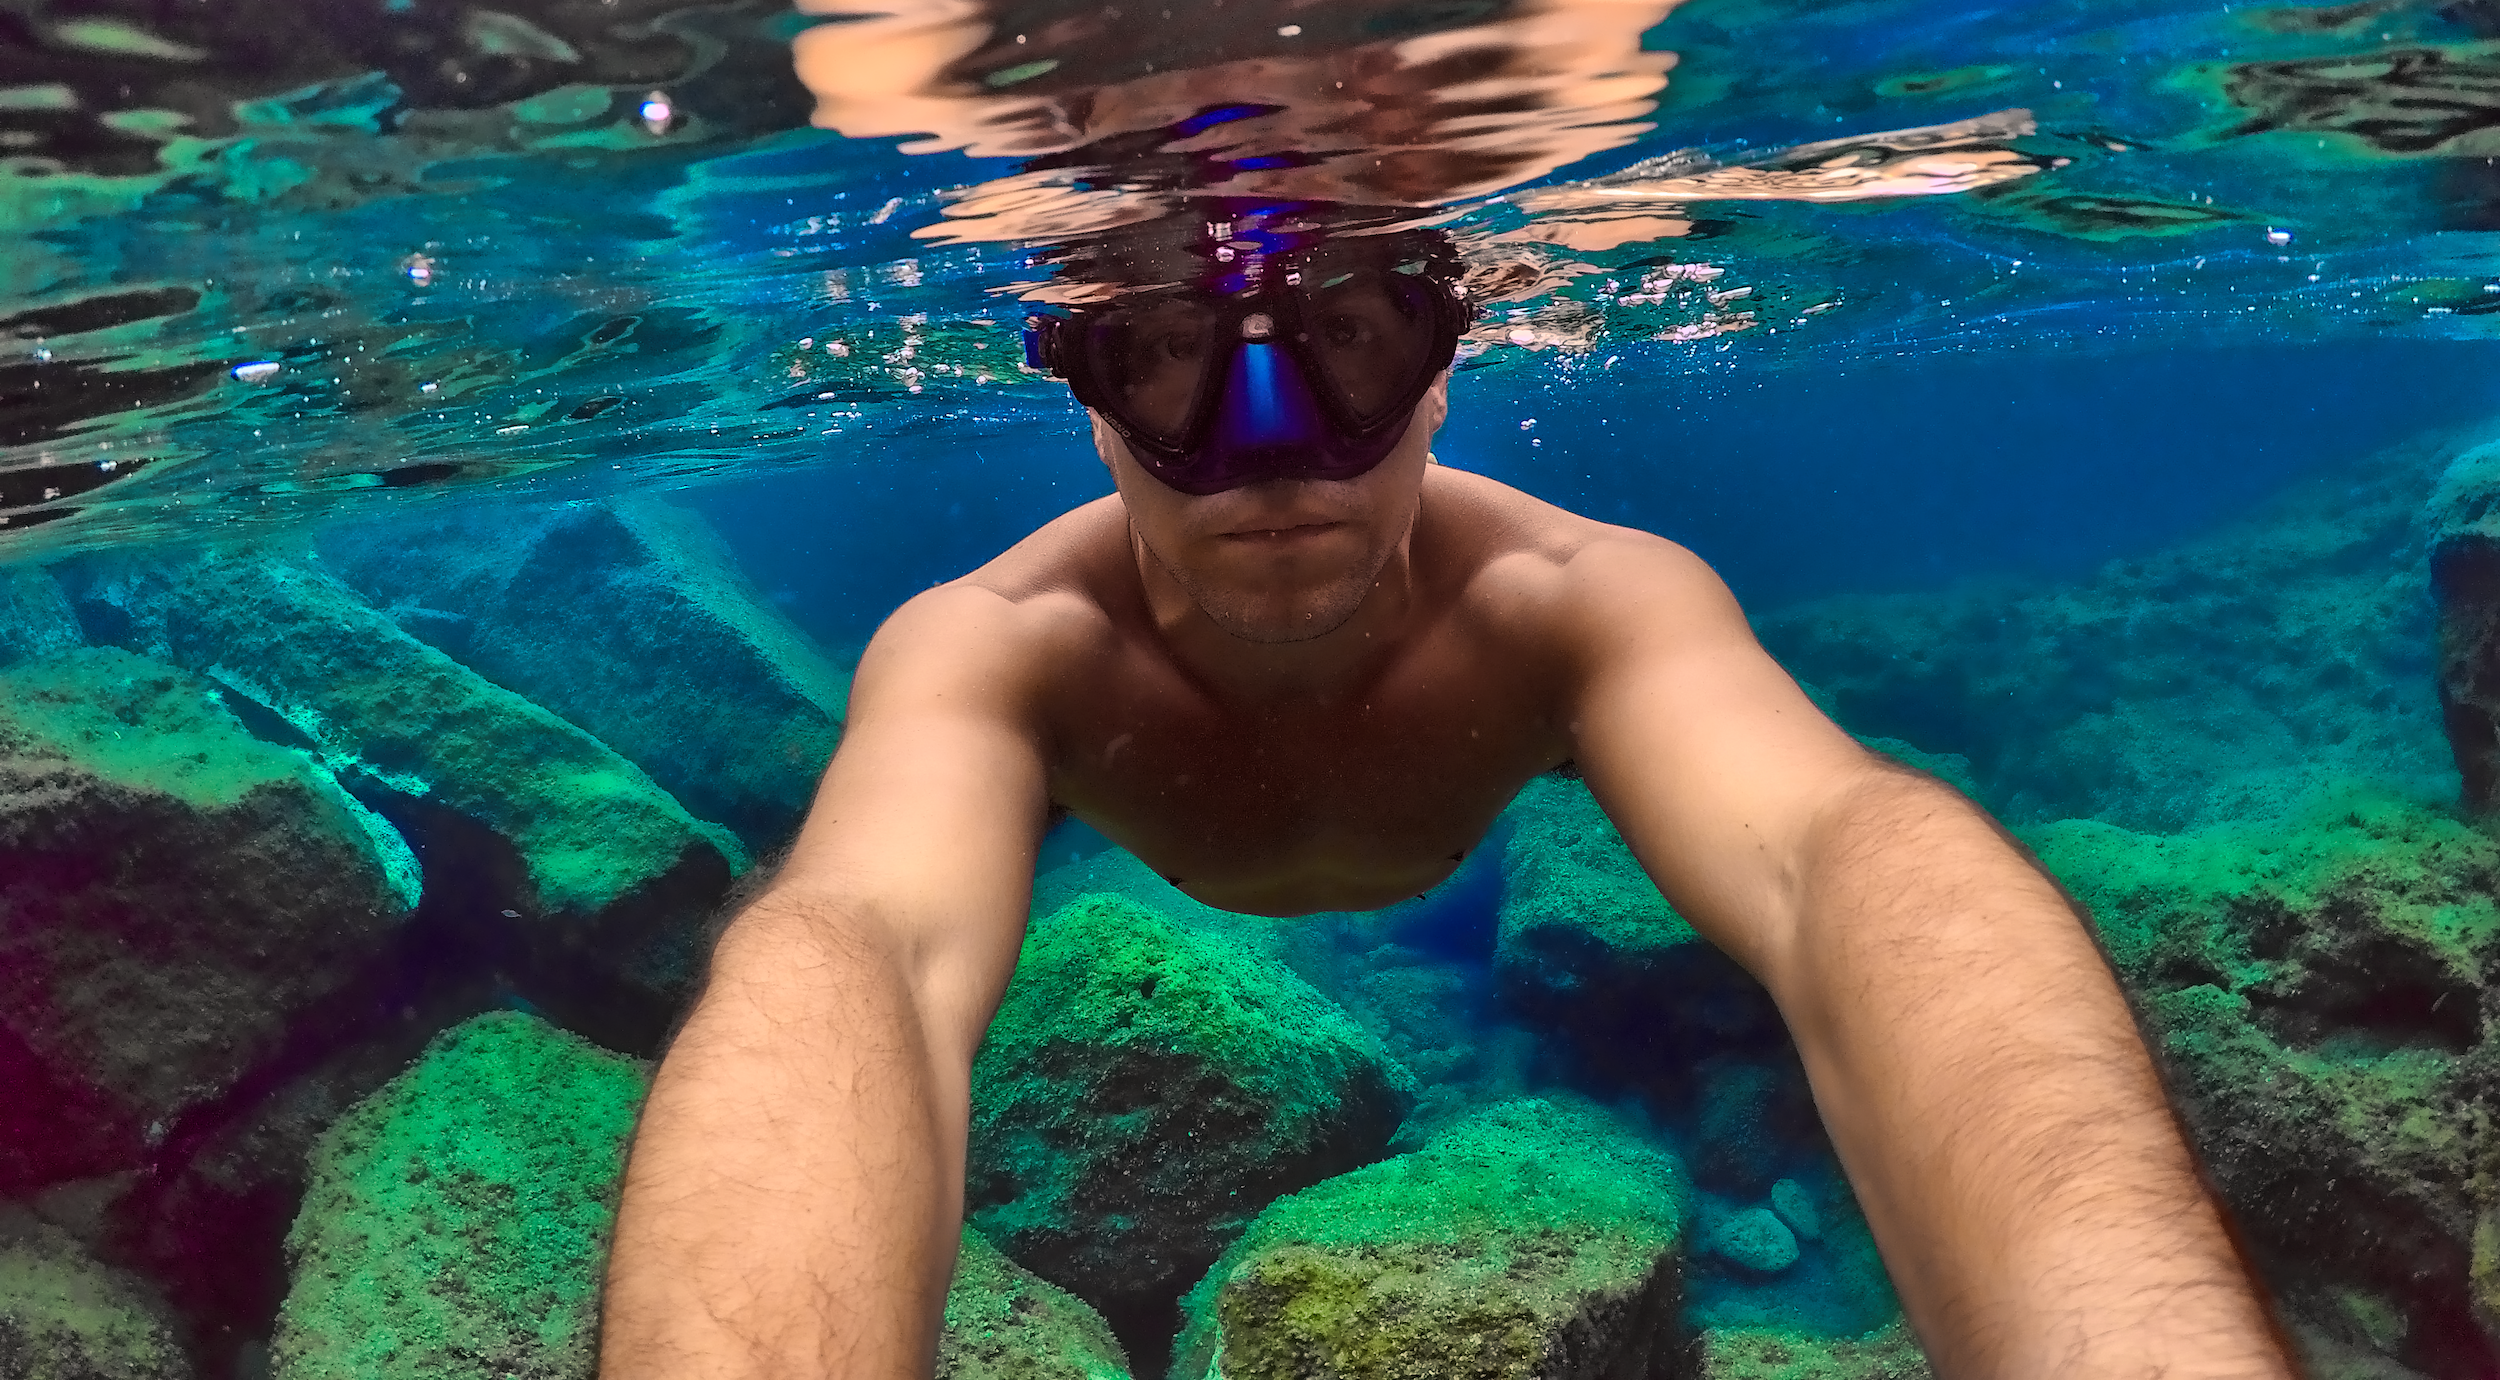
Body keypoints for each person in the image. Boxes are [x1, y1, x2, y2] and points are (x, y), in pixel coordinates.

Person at [597, 218, 2295, 1379]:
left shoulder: (1571, 601)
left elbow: (1838, 858)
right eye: (1172, 358)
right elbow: (862, 952)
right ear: (1092, 403)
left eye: (1346, 337)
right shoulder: (1005, 651)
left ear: (1441, 366)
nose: (1276, 448)